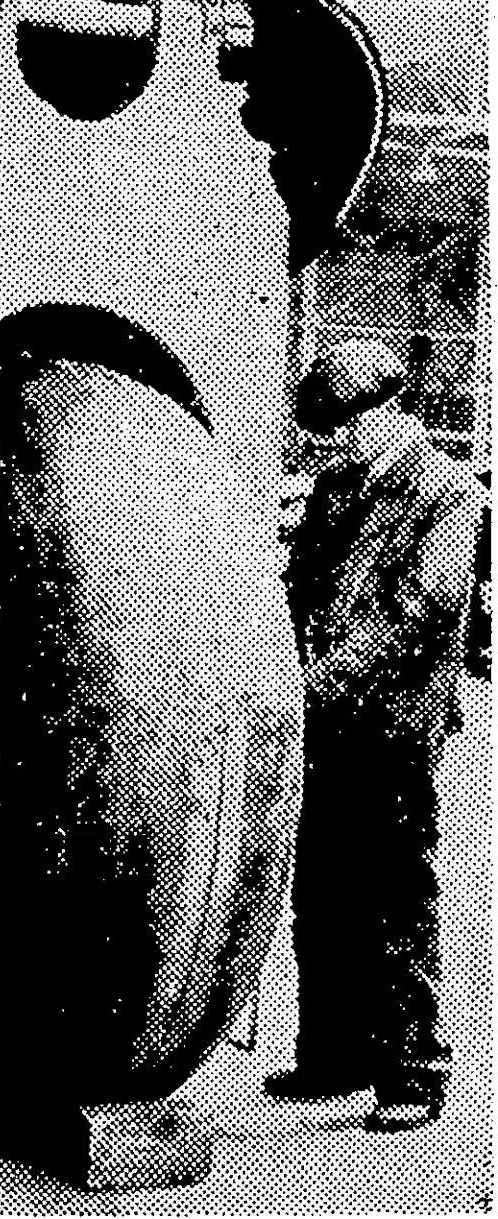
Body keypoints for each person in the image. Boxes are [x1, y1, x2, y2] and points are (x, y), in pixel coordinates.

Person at [266, 338, 486, 1131]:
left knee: (396, 890)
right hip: (326, 719)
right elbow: (296, 589)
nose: (331, 443)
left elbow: (417, 609)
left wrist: (317, 680)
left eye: (341, 427)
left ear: (386, 411)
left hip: (394, 722)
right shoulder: (335, 489)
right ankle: (335, 1047)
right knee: (322, 885)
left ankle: (413, 1071)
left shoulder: (449, 494)